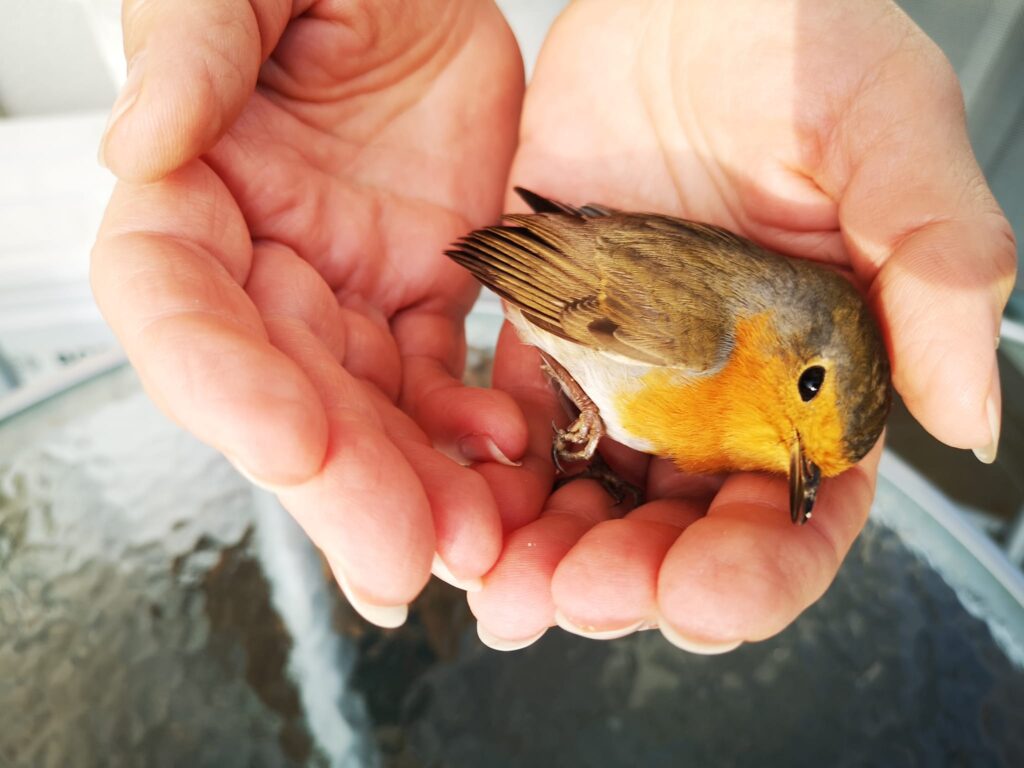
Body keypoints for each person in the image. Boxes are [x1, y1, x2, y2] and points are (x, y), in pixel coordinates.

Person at [92, 0, 1016, 652]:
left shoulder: (761, 425)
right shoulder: (709, 344)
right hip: (543, 250)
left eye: (809, 463)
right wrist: (548, 351)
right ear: (791, 346)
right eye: (811, 404)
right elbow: (560, 274)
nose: (796, 463)